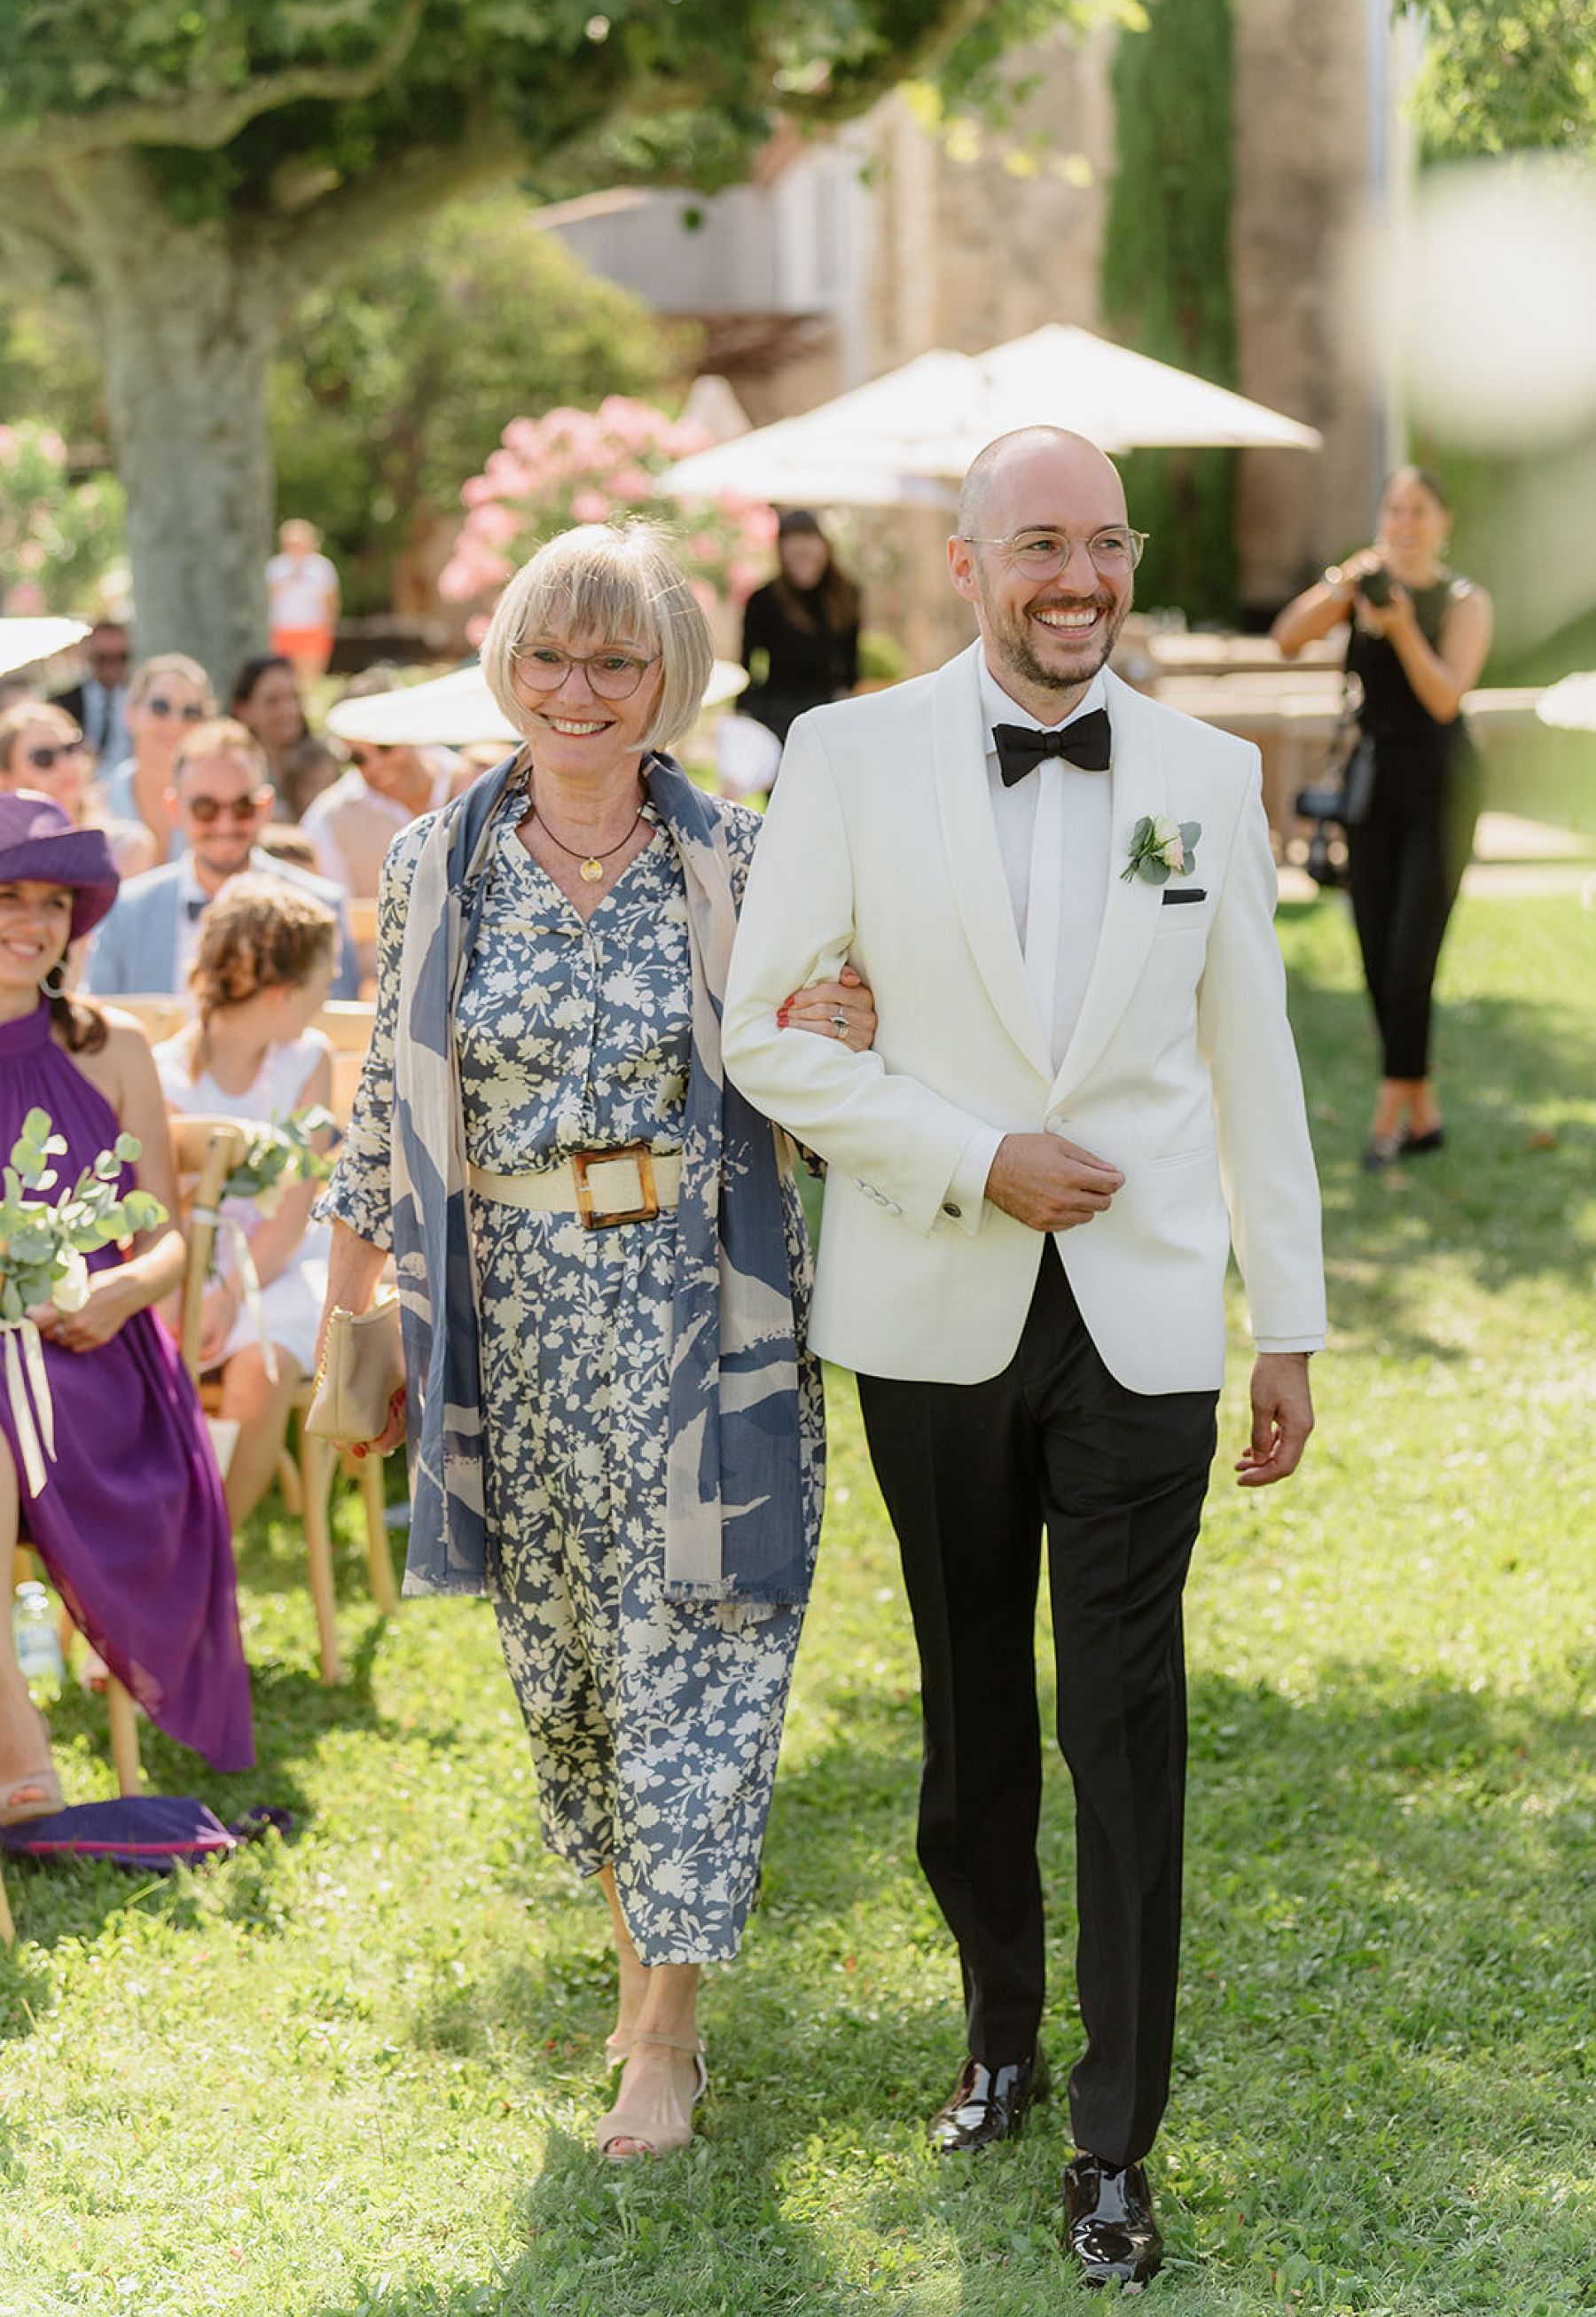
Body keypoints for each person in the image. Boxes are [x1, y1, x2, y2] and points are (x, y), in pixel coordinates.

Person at [722, 427, 1326, 2290]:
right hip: (931, 1302)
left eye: (1105, 548)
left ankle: (1115, 2128)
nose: (1078, 579)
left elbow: (1256, 1060)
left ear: (1130, 563)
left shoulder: (1210, 775)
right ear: (969, 562)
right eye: (1039, 545)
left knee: (1123, 1722)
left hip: (1146, 1321)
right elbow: (770, 1032)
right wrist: (973, 1150)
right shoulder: (848, 752)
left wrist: (1285, 1315)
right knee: (975, 1709)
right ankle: (995, 2028)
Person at [315, 521, 878, 2164]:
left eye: (616, 661)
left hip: (706, 1309)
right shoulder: (439, 859)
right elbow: (381, 1099)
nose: (579, 690)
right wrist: (350, 1314)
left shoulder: (745, 861)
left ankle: (666, 2031)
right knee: (574, 1679)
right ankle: (641, 1971)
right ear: (508, 664)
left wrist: (853, 1025)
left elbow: (833, 1067)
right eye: (550, 656)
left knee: (695, 1654)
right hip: (515, 1321)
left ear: (668, 686)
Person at [0, 792, 254, 1817]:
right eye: (6, 895)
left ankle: (23, 1772)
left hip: (92, 1360)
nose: (31, 920)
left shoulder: (114, 1048)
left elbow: (164, 1241)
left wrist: (117, 1290)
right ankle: (21, 1752)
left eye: (53, 901)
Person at [1271, 466, 1493, 1169]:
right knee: (1374, 953)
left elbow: (1444, 699)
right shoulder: (1361, 588)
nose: (1404, 523)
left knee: (1410, 955)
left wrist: (1399, 628)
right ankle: (1424, 1111)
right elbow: (1286, 637)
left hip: (1442, 790)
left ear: (1443, 522)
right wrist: (1344, 585)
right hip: (1372, 791)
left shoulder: (1463, 601)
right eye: (1393, 509)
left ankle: (1388, 1117)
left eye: (1418, 510)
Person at [156, 877, 336, 1530]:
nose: (332, 987)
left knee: (258, 1369)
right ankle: (158, 1535)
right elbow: (166, 1209)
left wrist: (233, 1291)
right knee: (163, 1363)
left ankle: (210, 1549)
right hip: (184, 1270)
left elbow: (291, 1212)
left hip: (278, 1267)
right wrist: (200, 1291)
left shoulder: (306, 1060)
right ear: (284, 992)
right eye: (326, 976)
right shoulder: (165, 1076)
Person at [87, 721, 361, 1000]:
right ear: (175, 809)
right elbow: (101, 1030)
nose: (225, 825)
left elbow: (337, 1029)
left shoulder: (320, 907)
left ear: (264, 807)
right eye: (206, 808)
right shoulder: (126, 912)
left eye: (242, 807)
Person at [300, 716, 467, 900]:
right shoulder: (326, 818)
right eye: (358, 759)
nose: (375, 765)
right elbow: (338, 912)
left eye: (385, 747)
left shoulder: (472, 778)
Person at [739, 509, 861, 751]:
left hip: (826, 708)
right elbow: (748, 662)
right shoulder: (764, 600)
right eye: (796, 557)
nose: (803, 566)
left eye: (809, 556)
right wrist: (746, 710)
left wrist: (846, 703)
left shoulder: (845, 596)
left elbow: (851, 662)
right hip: (776, 710)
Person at [0, 701, 154, 877]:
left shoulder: (124, 847)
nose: (66, 765)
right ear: (5, 778)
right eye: (43, 757)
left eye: (70, 749)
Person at [100, 652, 215, 864]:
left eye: (191, 712)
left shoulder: (219, 810)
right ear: (130, 714)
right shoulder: (97, 803)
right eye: (160, 707)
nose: (175, 723)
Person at [230, 654, 311, 815]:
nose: (288, 710)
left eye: (294, 697)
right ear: (243, 710)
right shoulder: (231, 773)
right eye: (273, 701)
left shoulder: (321, 765)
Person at [266, 520, 340, 684]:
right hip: (283, 628)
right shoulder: (276, 567)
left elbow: (331, 601)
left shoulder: (322, 567)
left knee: (311, 678)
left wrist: (329, 627)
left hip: (313, 628)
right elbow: (268, 598)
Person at [56, 617, 132, 764]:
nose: (112, 666)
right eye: (103, 658)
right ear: (88, 656)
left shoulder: (141, 700)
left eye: (121, 657)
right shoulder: (63, 704)